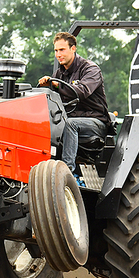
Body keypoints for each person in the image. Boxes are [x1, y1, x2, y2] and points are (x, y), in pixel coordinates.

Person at [38, 32, 111, 180]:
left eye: (62, 49)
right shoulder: (59, 73)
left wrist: (57, 86)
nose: (58, 54)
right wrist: (46, 87)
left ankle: (67, 173)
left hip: (95, 120)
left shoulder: (90, 69)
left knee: (70, 125)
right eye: (56, 50)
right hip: (71, 118)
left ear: (73, 49)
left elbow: (82, 92)